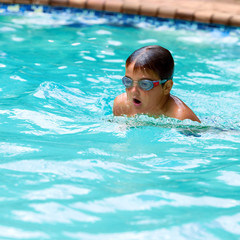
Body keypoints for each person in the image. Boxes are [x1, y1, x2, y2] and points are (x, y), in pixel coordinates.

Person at [113, 45, 201, 123]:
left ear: (167, 87)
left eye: (145, 84)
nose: (133, 91)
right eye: (128, 81)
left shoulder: (182, 119)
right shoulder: (121, 105)